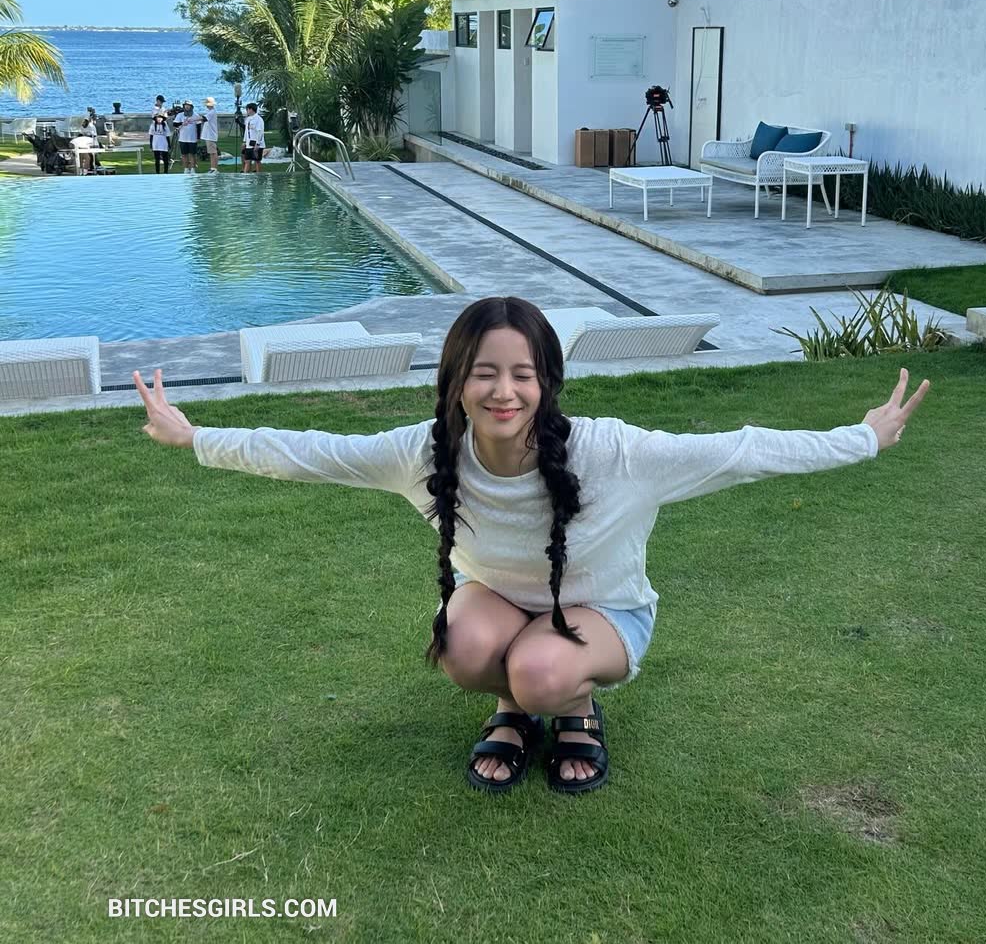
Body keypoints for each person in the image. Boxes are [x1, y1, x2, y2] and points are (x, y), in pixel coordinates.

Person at [133, 296, 931, 797]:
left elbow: (742, 449)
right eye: (484, 372)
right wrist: (195, 435)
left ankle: (570, 706)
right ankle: (513, 707)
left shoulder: (614, 451)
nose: (503, 390)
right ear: (456, 380)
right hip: (498, 603)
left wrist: (861, 437)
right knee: (462, 648)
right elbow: (314, 451)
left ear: (546, 380)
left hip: (604, 612)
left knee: (544, 669)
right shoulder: (426, 451)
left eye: (522, 373)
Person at [173, 101, 199, 174]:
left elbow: (198, 126)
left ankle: (193, 169)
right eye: (186, 105)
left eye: (188, 105)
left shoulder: (195, 115)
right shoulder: (180, 115)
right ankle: (186, 169)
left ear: (191, 107)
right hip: (183, 138)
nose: (187, 107)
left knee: (192, 154)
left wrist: (198, 137)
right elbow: (175, 124)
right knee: (184, 154)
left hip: (192, 138)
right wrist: (182, 123)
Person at [241, 101, 265, 174]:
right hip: (249, 143)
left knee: (257, 160)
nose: (247, 111)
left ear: (251, 109)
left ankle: (258, 175)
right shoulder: (248, 119)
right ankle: (246, 175)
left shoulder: (258, 119)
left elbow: (260, 132)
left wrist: (257, 143)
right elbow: (246, 131)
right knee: (247, 160)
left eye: (247, 109)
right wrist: (244, 141)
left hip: (256, 143)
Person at [198, 96, 219, 173]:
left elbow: (204, 119)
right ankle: (212, 167)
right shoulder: (210, 112)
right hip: (208, 135)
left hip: (211, 135)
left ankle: (214, 168)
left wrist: (193, 119)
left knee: (213, 152)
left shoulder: (211, 112)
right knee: (211, 152)